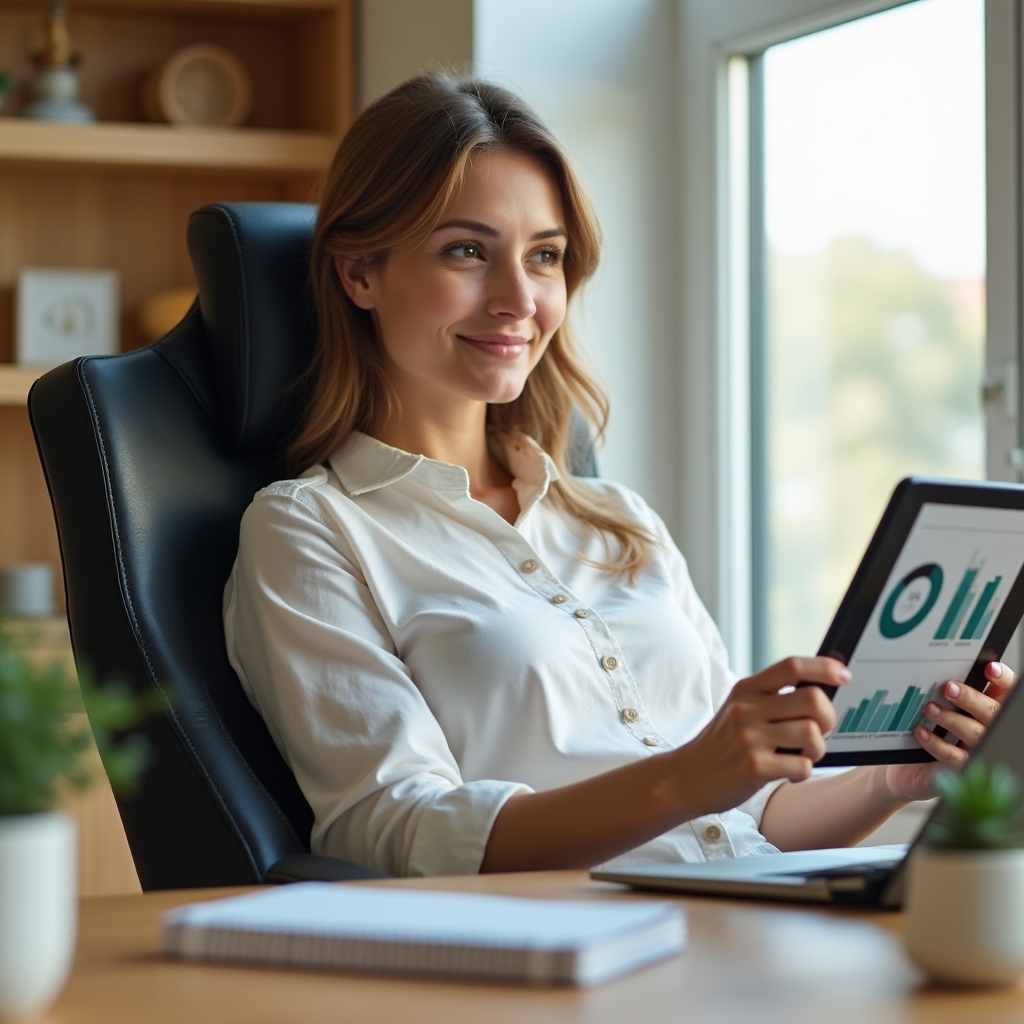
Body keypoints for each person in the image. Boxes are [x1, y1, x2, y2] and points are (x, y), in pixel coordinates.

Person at [224, 74, 1015, 878]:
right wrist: (686, 778)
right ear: (359, 272)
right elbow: (397, 829)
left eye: (545, 257)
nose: (518, 300)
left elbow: (748, 814)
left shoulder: (614, 518)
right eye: (466, 251)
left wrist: (895, 776)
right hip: (566, 959)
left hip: (733, 918)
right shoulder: (309, 529)